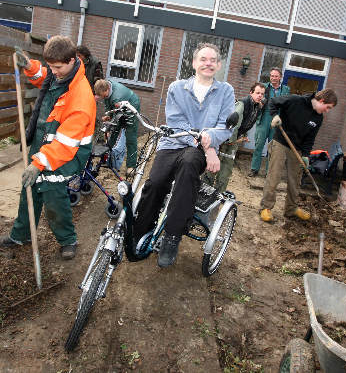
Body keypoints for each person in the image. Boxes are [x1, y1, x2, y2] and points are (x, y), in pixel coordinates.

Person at [133, 43, 235, 267]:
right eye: (203, 59)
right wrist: (207, 147)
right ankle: (141, 230)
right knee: (156, 182)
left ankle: (172, 236)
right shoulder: (177, 88)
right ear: (194, 63)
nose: (207, 63)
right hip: (173, 142)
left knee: (188, 169)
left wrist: (208, 143)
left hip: (197, 152)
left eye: (212, 60)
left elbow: (226, 126)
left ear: (218, 65)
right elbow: (177, 122)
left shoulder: (226, 90)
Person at [1, 36, 96, 260]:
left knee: (52, 192)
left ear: (73, 60)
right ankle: (21, 234)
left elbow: (65, 144)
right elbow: (43, 77)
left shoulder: (81, 98)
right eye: (51, 66)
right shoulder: (60, 74)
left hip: (67, 152)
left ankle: (67, 240)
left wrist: (39, 164)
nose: (53, 71)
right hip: (44, 141)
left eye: (58, 67)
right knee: (30, 187)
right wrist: (30, 66)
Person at [260, 88, 337, 223]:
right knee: (274, 176)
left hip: (297, 149)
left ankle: (291, 209)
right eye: (328, 107)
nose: (328, 110)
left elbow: (310, 139)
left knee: (295, 179)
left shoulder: (318, 118)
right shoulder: (296, 100)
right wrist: (274, 115)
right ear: (322, 100)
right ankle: (266, 208)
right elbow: (273, 102)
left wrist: (306, 155)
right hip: (281, 142)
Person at [204, 82, 265, 193]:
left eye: (262, 94)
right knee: (213, 166)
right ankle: (204, 191)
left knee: (226, 169)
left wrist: (243, 136)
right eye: (257, 93)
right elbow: (235, 123)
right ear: (251, 92)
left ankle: (219, 193)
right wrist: (231, 140)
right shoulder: (243, 104)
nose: (260, 96)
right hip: (225, 139)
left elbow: (248, 123)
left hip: (234, 141)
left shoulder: (257, 107)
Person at [94, 79, 141, 176]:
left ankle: (131, 167)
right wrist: (108, 116)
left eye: (103, 95)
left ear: (107, 89)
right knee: (113, 131)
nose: (103, 97)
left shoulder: (116, 97)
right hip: (119, 108)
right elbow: (108, 103)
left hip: (131, 106)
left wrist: (111, 121)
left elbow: (118, 115)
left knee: (130, 137)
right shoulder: (106, 87)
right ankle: (106, 157)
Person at [249, 67, 290, 177]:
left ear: (280, 77)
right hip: (264, 119)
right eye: (272, 76)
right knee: (259, 145)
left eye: (276, 76)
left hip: (277, 120)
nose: (273, 78)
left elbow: (287, 106)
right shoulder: (264, 87)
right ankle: (254, 169)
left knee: (273, 149)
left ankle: (269, 172)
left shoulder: (286, 90)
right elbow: (255, 99)